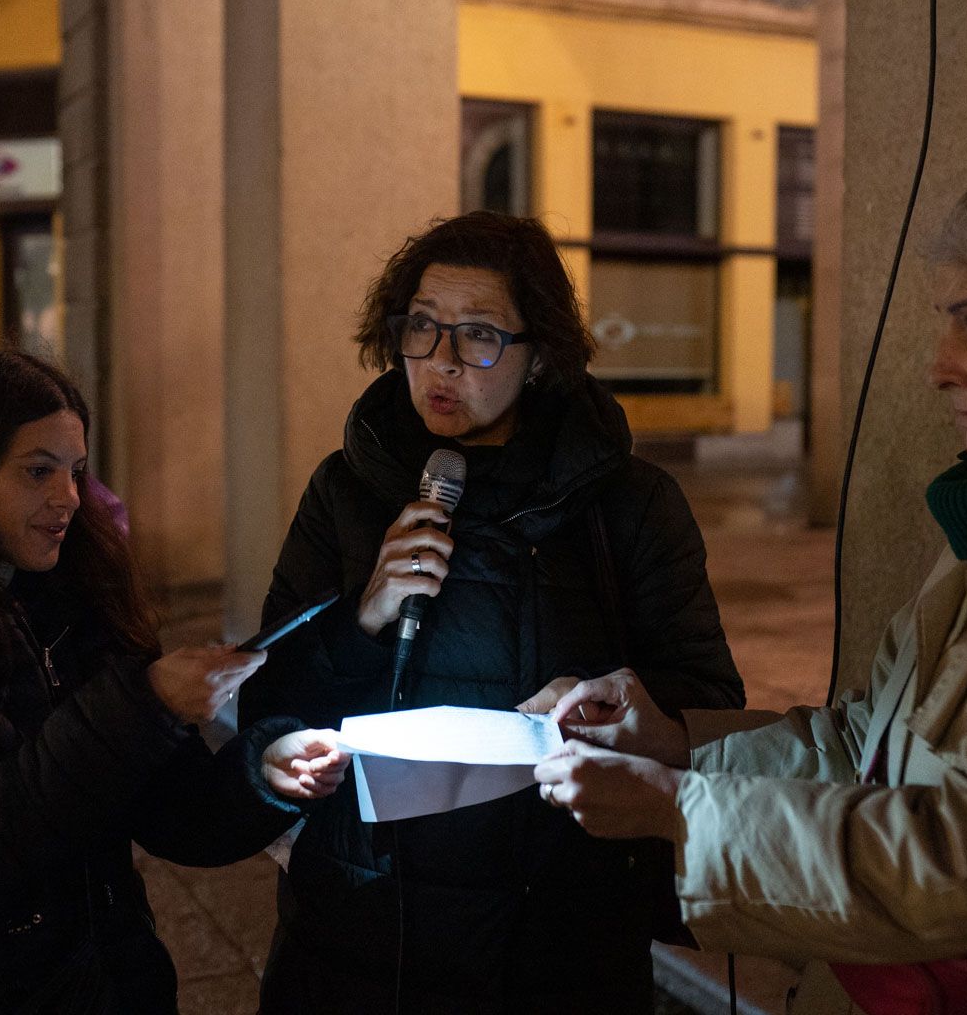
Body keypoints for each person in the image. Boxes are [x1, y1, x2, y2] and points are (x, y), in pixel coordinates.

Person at [535, 72, 967, 1014]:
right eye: (943, 322)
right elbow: (872, 740)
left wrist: (679, 810)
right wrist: (677, 747)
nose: (939, 365)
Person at [239, 211, 745, 1013]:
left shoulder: (632, 507)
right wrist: (355, 633)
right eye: (422, 329)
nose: (441, 363)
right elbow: (267, 695)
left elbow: (708, 703)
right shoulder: (347, 490)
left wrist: (612, 706)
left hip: (558, 931)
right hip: (364, 927)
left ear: (540, 355)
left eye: (478, 336)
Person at [0, 344, 348, 1013]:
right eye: (37, 472)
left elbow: (177, 817)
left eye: (77, 471)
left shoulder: (74, 603)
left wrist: (268, 773)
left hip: (107, 984)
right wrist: (143, 706)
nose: (69, 499)